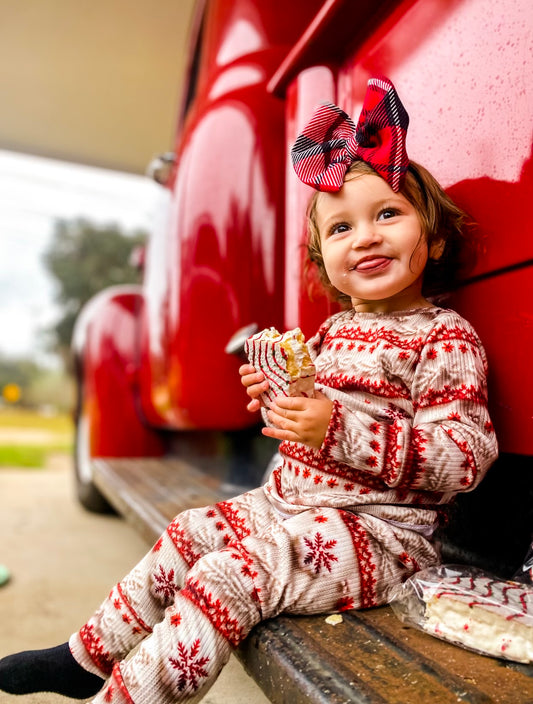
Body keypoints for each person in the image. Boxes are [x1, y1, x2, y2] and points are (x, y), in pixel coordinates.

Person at [0, 77, 498, 703]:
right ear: (323, 259)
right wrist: (275, 393)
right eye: (340, 228)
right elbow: (309, 412)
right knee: (188, 532)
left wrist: (336, 429)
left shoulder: (445, 338)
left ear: (435, 238)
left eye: (388, 214)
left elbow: (466, 458)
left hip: (380, 535)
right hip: (286, 505)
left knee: (231, 575)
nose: (365, 236)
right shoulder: (335, 330)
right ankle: (87, 656)